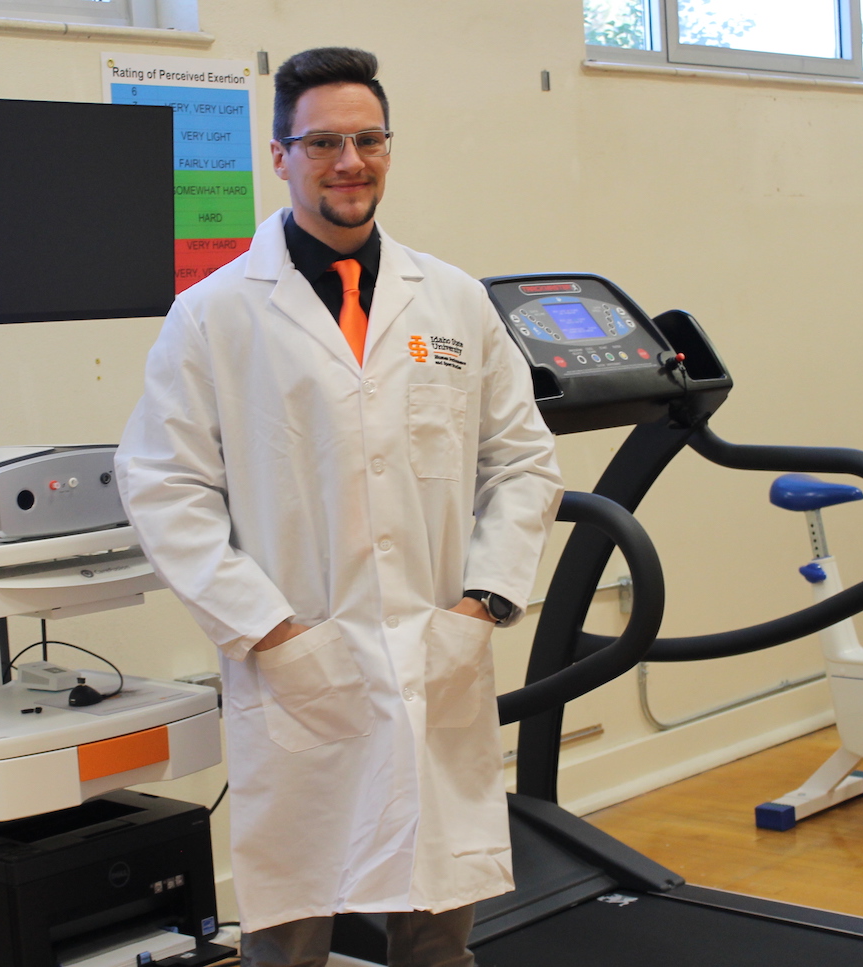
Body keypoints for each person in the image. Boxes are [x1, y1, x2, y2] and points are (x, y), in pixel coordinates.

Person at [116, 47, 562, 967]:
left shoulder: (452, 300)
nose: (349, 161)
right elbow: (163, 484)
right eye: (323, 142)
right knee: (290, 928)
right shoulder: (215, 315)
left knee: (439, 925)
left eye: (367, 139)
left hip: (436, 650)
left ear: (389, 150)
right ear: (280, 155)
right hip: (300, 661)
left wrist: (481, 606)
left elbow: (522, 459)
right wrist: (270, 631)